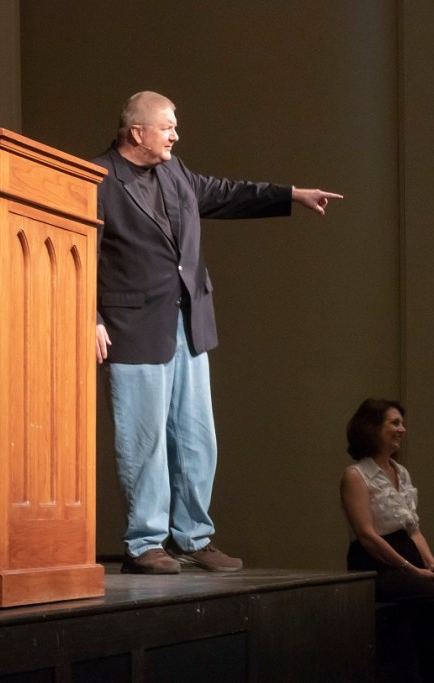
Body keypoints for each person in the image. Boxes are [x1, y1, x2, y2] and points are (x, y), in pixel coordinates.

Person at [94, 91, 342, 575]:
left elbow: (228, 192)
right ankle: (145, 542)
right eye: (167, 127)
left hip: (188, 323)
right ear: (137, 132)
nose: (175, 135)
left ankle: (193, 537)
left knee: (196, 438)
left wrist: (292, 194)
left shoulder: (176, 172)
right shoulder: (99, 179)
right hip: (134, 326)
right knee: (143, 440)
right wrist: (91, 317)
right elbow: (80, 248)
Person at [339, 398, 434, 682]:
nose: (402, 429)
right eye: (395, 423)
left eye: (402, 423)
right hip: (375, 566)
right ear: (371, 428)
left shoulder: (401, 472)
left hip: (407, 561)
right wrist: (410, 568)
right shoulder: (355, 475)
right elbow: (367, 537)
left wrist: (431, 565)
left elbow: (413, 530)